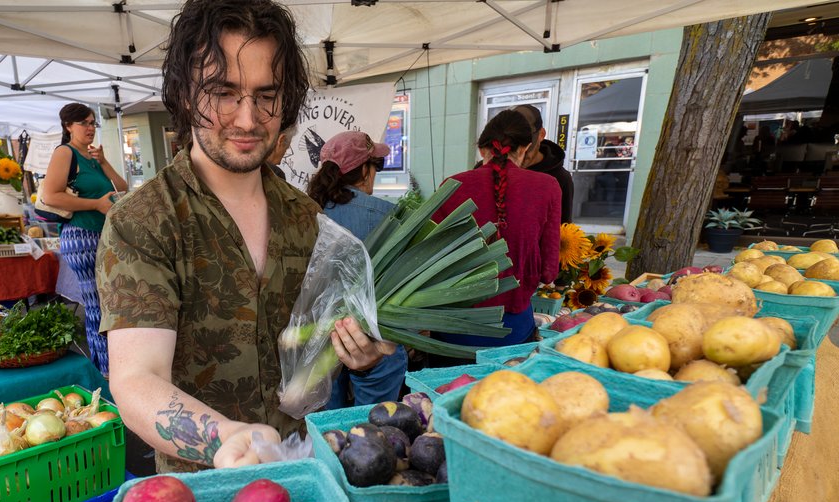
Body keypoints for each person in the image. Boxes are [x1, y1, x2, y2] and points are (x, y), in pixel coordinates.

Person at [95, 0, 392, 471]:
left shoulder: (306, 218)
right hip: (201, 492)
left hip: (302, 472)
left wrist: (360, 354)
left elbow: (316, 349)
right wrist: (224, 439)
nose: (249, 119)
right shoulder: (145, 221)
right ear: (187, 94)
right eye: (224, 93)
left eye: (266, 95)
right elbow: (135, 378)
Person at [429, 109, 561, 365]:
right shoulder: (547, 187)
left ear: (482, 149)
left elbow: (431, 260)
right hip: (512, 332)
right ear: (525, 148)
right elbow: (548, 272)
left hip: (451, 331)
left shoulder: (451, 186)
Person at [307, 130, 408, 409]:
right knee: (374, 420)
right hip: (376, 341)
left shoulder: (308, 212)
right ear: (364, 169)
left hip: (319, 339)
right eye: (376, 165)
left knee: (330, 425)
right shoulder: (389, 217)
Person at [40, 102, 128, 377]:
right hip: (82, 237)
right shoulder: (65, 153)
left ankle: (115, 366)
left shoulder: (90, 156)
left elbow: (121, 189)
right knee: (96, 304)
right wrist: (95, 205)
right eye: (84, 123)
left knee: (110, 303)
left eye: (93, 123)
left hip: (104, 236)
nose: (90, 128)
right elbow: (51, 195)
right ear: (68, 126)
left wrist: (103, 162)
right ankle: (104, 370)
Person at [513, 104, 574, 223]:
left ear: (541, 134)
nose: (520, 158)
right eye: (513, 150)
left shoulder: (560, 178)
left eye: (527, 150)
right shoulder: (488, 169)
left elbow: (564, 228)